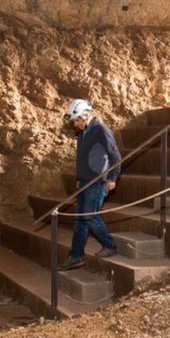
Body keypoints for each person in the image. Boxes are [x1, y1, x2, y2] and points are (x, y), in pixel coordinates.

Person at [60, 99, 121, 271]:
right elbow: (82, 158)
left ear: (86, 115)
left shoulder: (101, 130)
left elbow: (115, 156)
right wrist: (79, 178)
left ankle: (110, 245)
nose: (76, 124)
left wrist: (112, 178)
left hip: (98, 180)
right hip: (85, 181)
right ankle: (76, 255)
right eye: (74, 121)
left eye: (78, 120)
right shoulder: (82, 133)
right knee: (81, 219)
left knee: (90, 216)